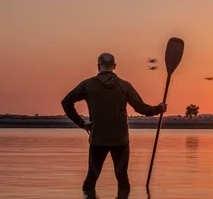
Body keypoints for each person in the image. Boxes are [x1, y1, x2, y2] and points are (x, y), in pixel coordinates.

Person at [61, 53, 166, 191]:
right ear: (114, 66)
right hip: (120, 141)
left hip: (98, 139)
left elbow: (66, 102)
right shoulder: (124, 86)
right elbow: (141, 108)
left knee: (92, 177)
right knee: (122, 177)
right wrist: (159, 108)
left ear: (98, 67)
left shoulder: (87, 85)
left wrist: (82, 123)